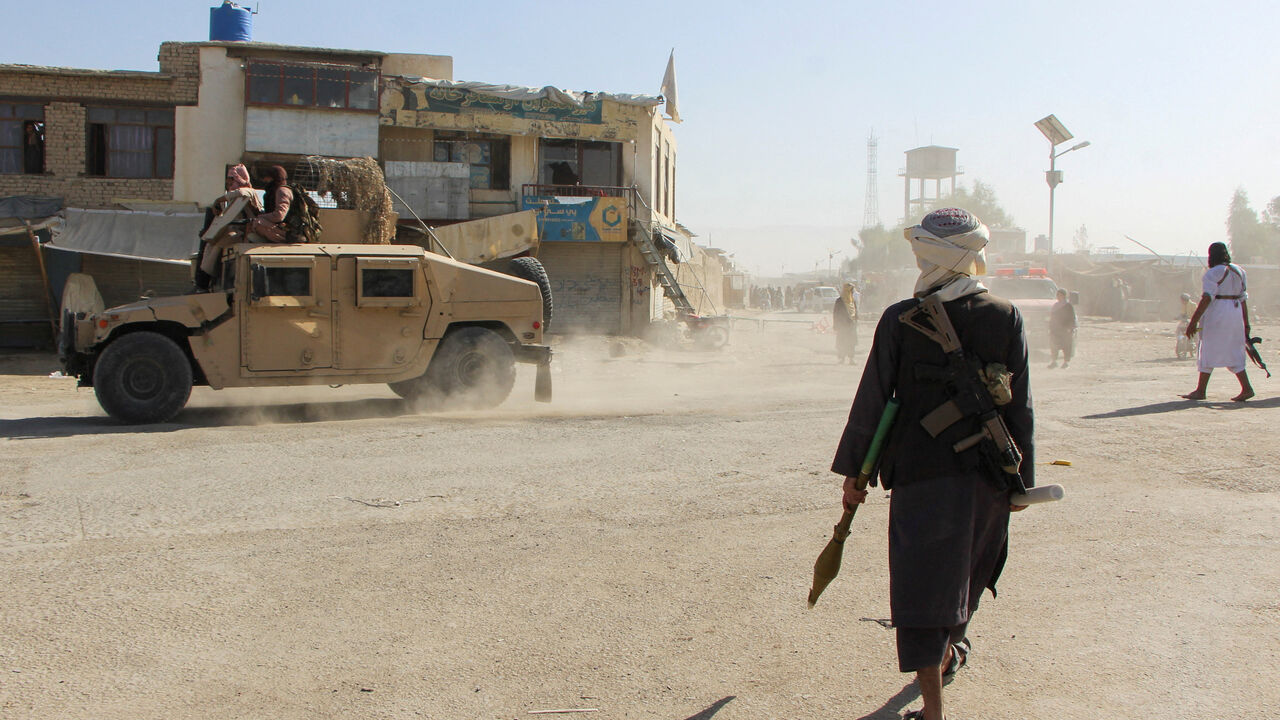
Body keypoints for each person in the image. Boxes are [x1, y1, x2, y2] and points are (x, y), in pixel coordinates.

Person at [831, 208, 1034, 720]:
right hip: (988, 479)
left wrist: (857, 476)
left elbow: (873, 401)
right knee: (966, 577)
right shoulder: (1005, 317)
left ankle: (934, 706)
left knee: (924, 590)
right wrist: (1020, 485)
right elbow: (1021, 408)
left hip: (922, 479)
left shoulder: (902, 319)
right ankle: (946, 660)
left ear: (934, 256)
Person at [1182, 242, 1254, 401]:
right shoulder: (1240, 271)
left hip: (1218, 313)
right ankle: (1246, 388)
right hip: (1235, 314)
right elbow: (1243, 300)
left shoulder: (1212, 273)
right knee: (1234, 350)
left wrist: (1193, 321)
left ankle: (1201, 391)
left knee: (1207, 347)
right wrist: (1246, 324)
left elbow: (1207, 298)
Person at [195, 164, 262, 290]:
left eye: (231, 180)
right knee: (210, 245)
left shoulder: (248, 191)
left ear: (238, 179)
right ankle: (204, 281)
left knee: (217, 246)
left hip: (243, 232)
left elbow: (240, 192)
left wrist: (218, 200)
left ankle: (205, 282)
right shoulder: (234, 198)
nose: (229, 184)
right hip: (234, 230)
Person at [248, 165, 295, 243]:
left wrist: (260, 217)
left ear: (273, 177)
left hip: (288, 231)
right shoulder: (274, 190)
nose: (265, 180)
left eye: (267, 177)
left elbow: (279, 216)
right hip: (279, 227)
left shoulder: (282, 191)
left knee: (258, 222)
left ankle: (281, 240)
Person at [1047, 288, 1077, 368]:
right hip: (1055, 329)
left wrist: (1070, 328)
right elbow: (1052, 318)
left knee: (1066, 346)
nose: (1058, 296)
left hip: (1065, 329)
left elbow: (1072, 318)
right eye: (1057, 295)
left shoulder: (1068, 306)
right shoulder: (1055, 306)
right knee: (1054, 345)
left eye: (1060, 295)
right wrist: (1051, 328)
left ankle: (1066, 362)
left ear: (1064, 296)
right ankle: (1054, 361)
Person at [832, 282, 858, 363]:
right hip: (842, 325)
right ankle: (842, 358)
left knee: (851, 342)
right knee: (842, 341)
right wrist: (836, 324)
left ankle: (851, 359)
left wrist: (856, 321)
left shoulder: (852, 301)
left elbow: (855, 312)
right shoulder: (839, 301)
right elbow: (836, 313)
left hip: (851, 325)